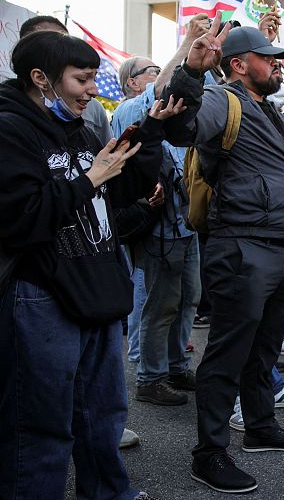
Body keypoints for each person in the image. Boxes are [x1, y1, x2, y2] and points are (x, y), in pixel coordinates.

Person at [162, 17, 284, 493]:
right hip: (241, 246)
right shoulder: (223, 100)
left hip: (274, 247)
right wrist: (192, 72)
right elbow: (182, 125)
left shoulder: (264, 109)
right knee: (228, 352)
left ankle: (261, 427)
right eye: (269, 58)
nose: (278, 65)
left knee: (262, 348)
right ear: (240, 65)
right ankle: (209, 453)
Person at [0, 29, 178, 500]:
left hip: (95, 291)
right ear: (41, 78)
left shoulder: (76, 128)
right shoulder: (9, 128)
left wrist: (150, 137)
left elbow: (108, 200)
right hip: (41, 296)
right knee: (40, 426)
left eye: (95, 78)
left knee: (101, 418)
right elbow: (20, 219)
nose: (93, 90)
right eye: (82, 79)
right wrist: (88, 177)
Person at [113, 15, 210, 407]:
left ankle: (174, 365)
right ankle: (150, 377)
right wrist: (188, 42)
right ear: (132, 81)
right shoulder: (130, 109)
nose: (158, 71)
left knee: (188, 297)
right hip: (158, 228)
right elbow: (160, 91)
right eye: (150, 69)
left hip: (184, 226)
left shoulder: (175, 108)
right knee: (160, 302)